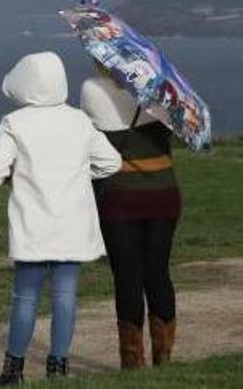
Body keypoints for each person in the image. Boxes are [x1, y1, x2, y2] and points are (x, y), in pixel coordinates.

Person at [0, 52, 122, 386]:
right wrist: (83, 173)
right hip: (72, 222)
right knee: (65, 296)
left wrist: (12, 178)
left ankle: (13, 371)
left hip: (34, 223)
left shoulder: (15, 123)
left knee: (25, 296)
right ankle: (58, 369)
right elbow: (111, 163)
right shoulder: (79, 121)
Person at [81, 72, 182, 369]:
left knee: (127, 278)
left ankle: (132, 361)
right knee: (159, 274)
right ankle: (163, 357)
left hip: (120, 196)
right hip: (164, 193)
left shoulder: (92, 89)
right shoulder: (161, 92)